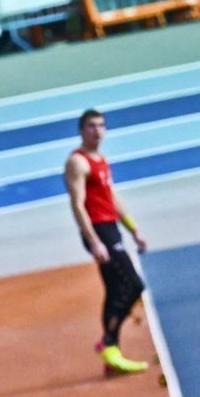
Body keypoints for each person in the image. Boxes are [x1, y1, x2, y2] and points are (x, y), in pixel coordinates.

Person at [64, 109, 149, 375]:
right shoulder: (78, 162)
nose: (97, 130)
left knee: (114, 289)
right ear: (81, 130)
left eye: (101, 126)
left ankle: (112, 358)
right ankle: (108, 342)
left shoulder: (101, 159)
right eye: (91, 126)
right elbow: (77, 205)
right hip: (98, 231)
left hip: (111, 228)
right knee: (134, 284)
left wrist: (133, 229)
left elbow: (111, 196)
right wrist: (94, 242)